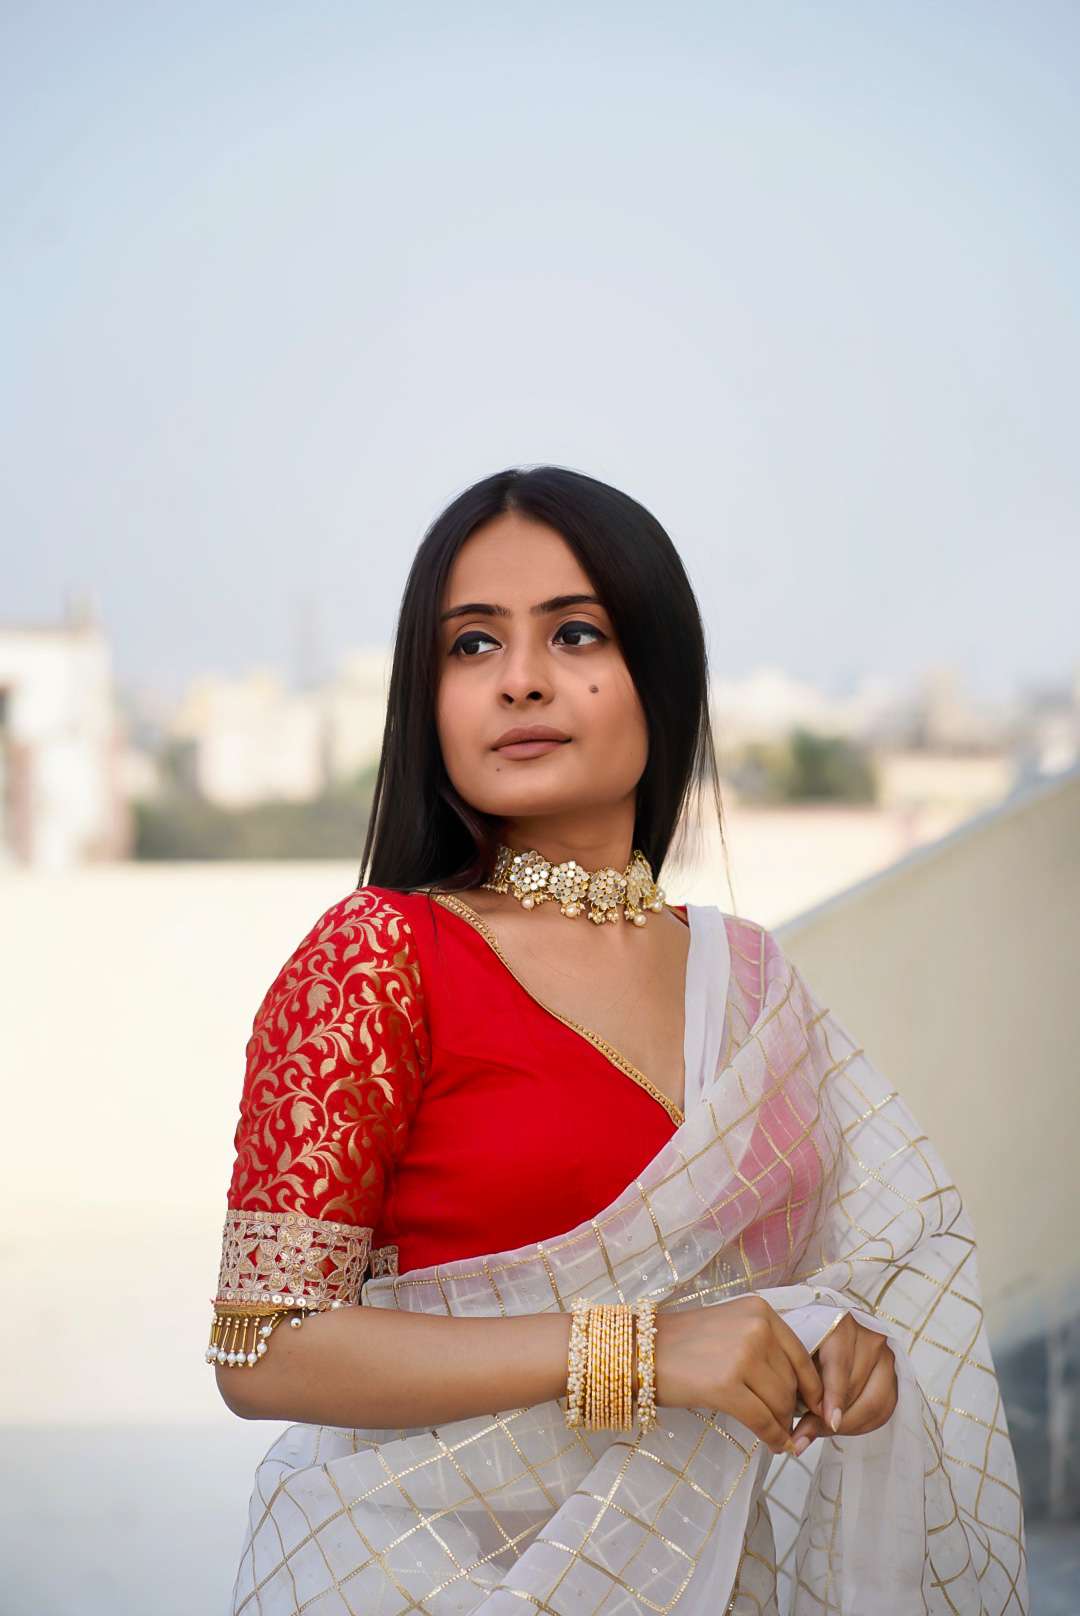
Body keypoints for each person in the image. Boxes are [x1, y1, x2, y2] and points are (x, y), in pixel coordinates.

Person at [208, 465, 1029, 1614]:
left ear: (663, 672)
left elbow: (861, 1272)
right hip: (422, 1578)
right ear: (425, 696)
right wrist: (637, 1352)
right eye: (472, 646)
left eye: (576, 632)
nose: (523, 680)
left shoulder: (750, 982)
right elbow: (264, 1345)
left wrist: (848, 1353)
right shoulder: (377, 958)